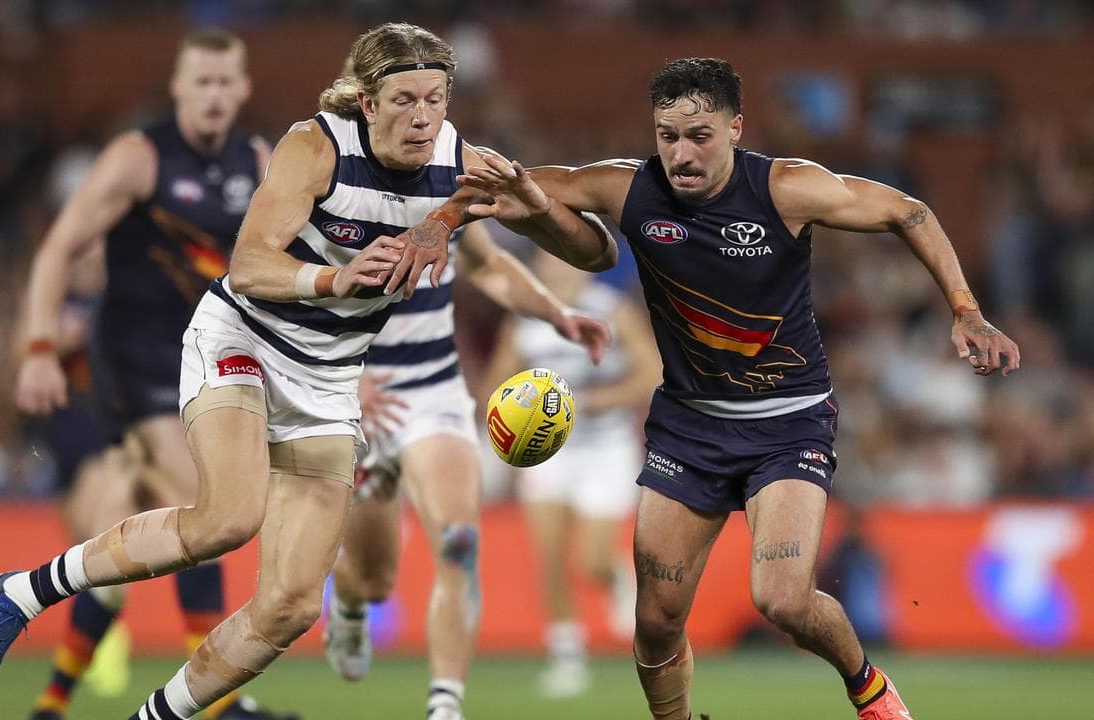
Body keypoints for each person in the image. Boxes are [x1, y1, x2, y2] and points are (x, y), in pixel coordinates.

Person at [0, 22, 615, 720]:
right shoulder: (315, 146)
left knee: (293, 604)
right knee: (227, 519)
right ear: (368, 102)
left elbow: (595, 252)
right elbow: (248, 265)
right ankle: (19, 593)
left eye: (435, 99)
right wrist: (333, 280)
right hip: (244, 339)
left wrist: (536, 207)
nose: (422, 117)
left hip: (328, 380)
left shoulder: (462, 166)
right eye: (403, 101)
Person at [458, 57, 1021, 720]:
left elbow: (909, 211)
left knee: (782, 599)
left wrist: (965, 309)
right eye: (668, 135)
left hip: (789, 421)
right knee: (656, 621)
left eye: (699, 135)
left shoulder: (785, 188)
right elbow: (516, 184)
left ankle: (868, 687)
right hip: (690, 425)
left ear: (735, 128)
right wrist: (445, 216)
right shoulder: (629, 188)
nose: (681, 153)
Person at [4, 29, 292, 720]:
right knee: (210, 505)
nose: (213, 94)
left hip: (210, 359)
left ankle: (51, 703)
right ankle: (219, 704)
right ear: (178, 88)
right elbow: (58, 248)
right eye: (202, 82)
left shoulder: (258, 163)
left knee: (124, 527)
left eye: (224, 82)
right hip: (137, 361)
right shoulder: (139, 158)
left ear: (243, 89)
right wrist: (38, 347)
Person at [323, 219, 609, 720]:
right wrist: (339, 370)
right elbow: (281, 286)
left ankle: (445, 705)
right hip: (355, 393)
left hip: (433, 390)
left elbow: (489, 264)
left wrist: (556, 313)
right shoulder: (327, 185)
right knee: (373, 581)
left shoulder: (445, 191)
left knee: (458, 541)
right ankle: (348, 604)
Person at [479, 250, 661, 698]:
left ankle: (613, 575)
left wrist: (594, 401)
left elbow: (652, 372)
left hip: (606, 448)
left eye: (565, 258)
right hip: (548, 451)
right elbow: (494, 386)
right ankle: (566, 654)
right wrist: (521, 410)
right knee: (549, 555)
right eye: (548, 259)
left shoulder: (613, 310)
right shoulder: (524, 319)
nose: (557, 266)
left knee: (591, 559)